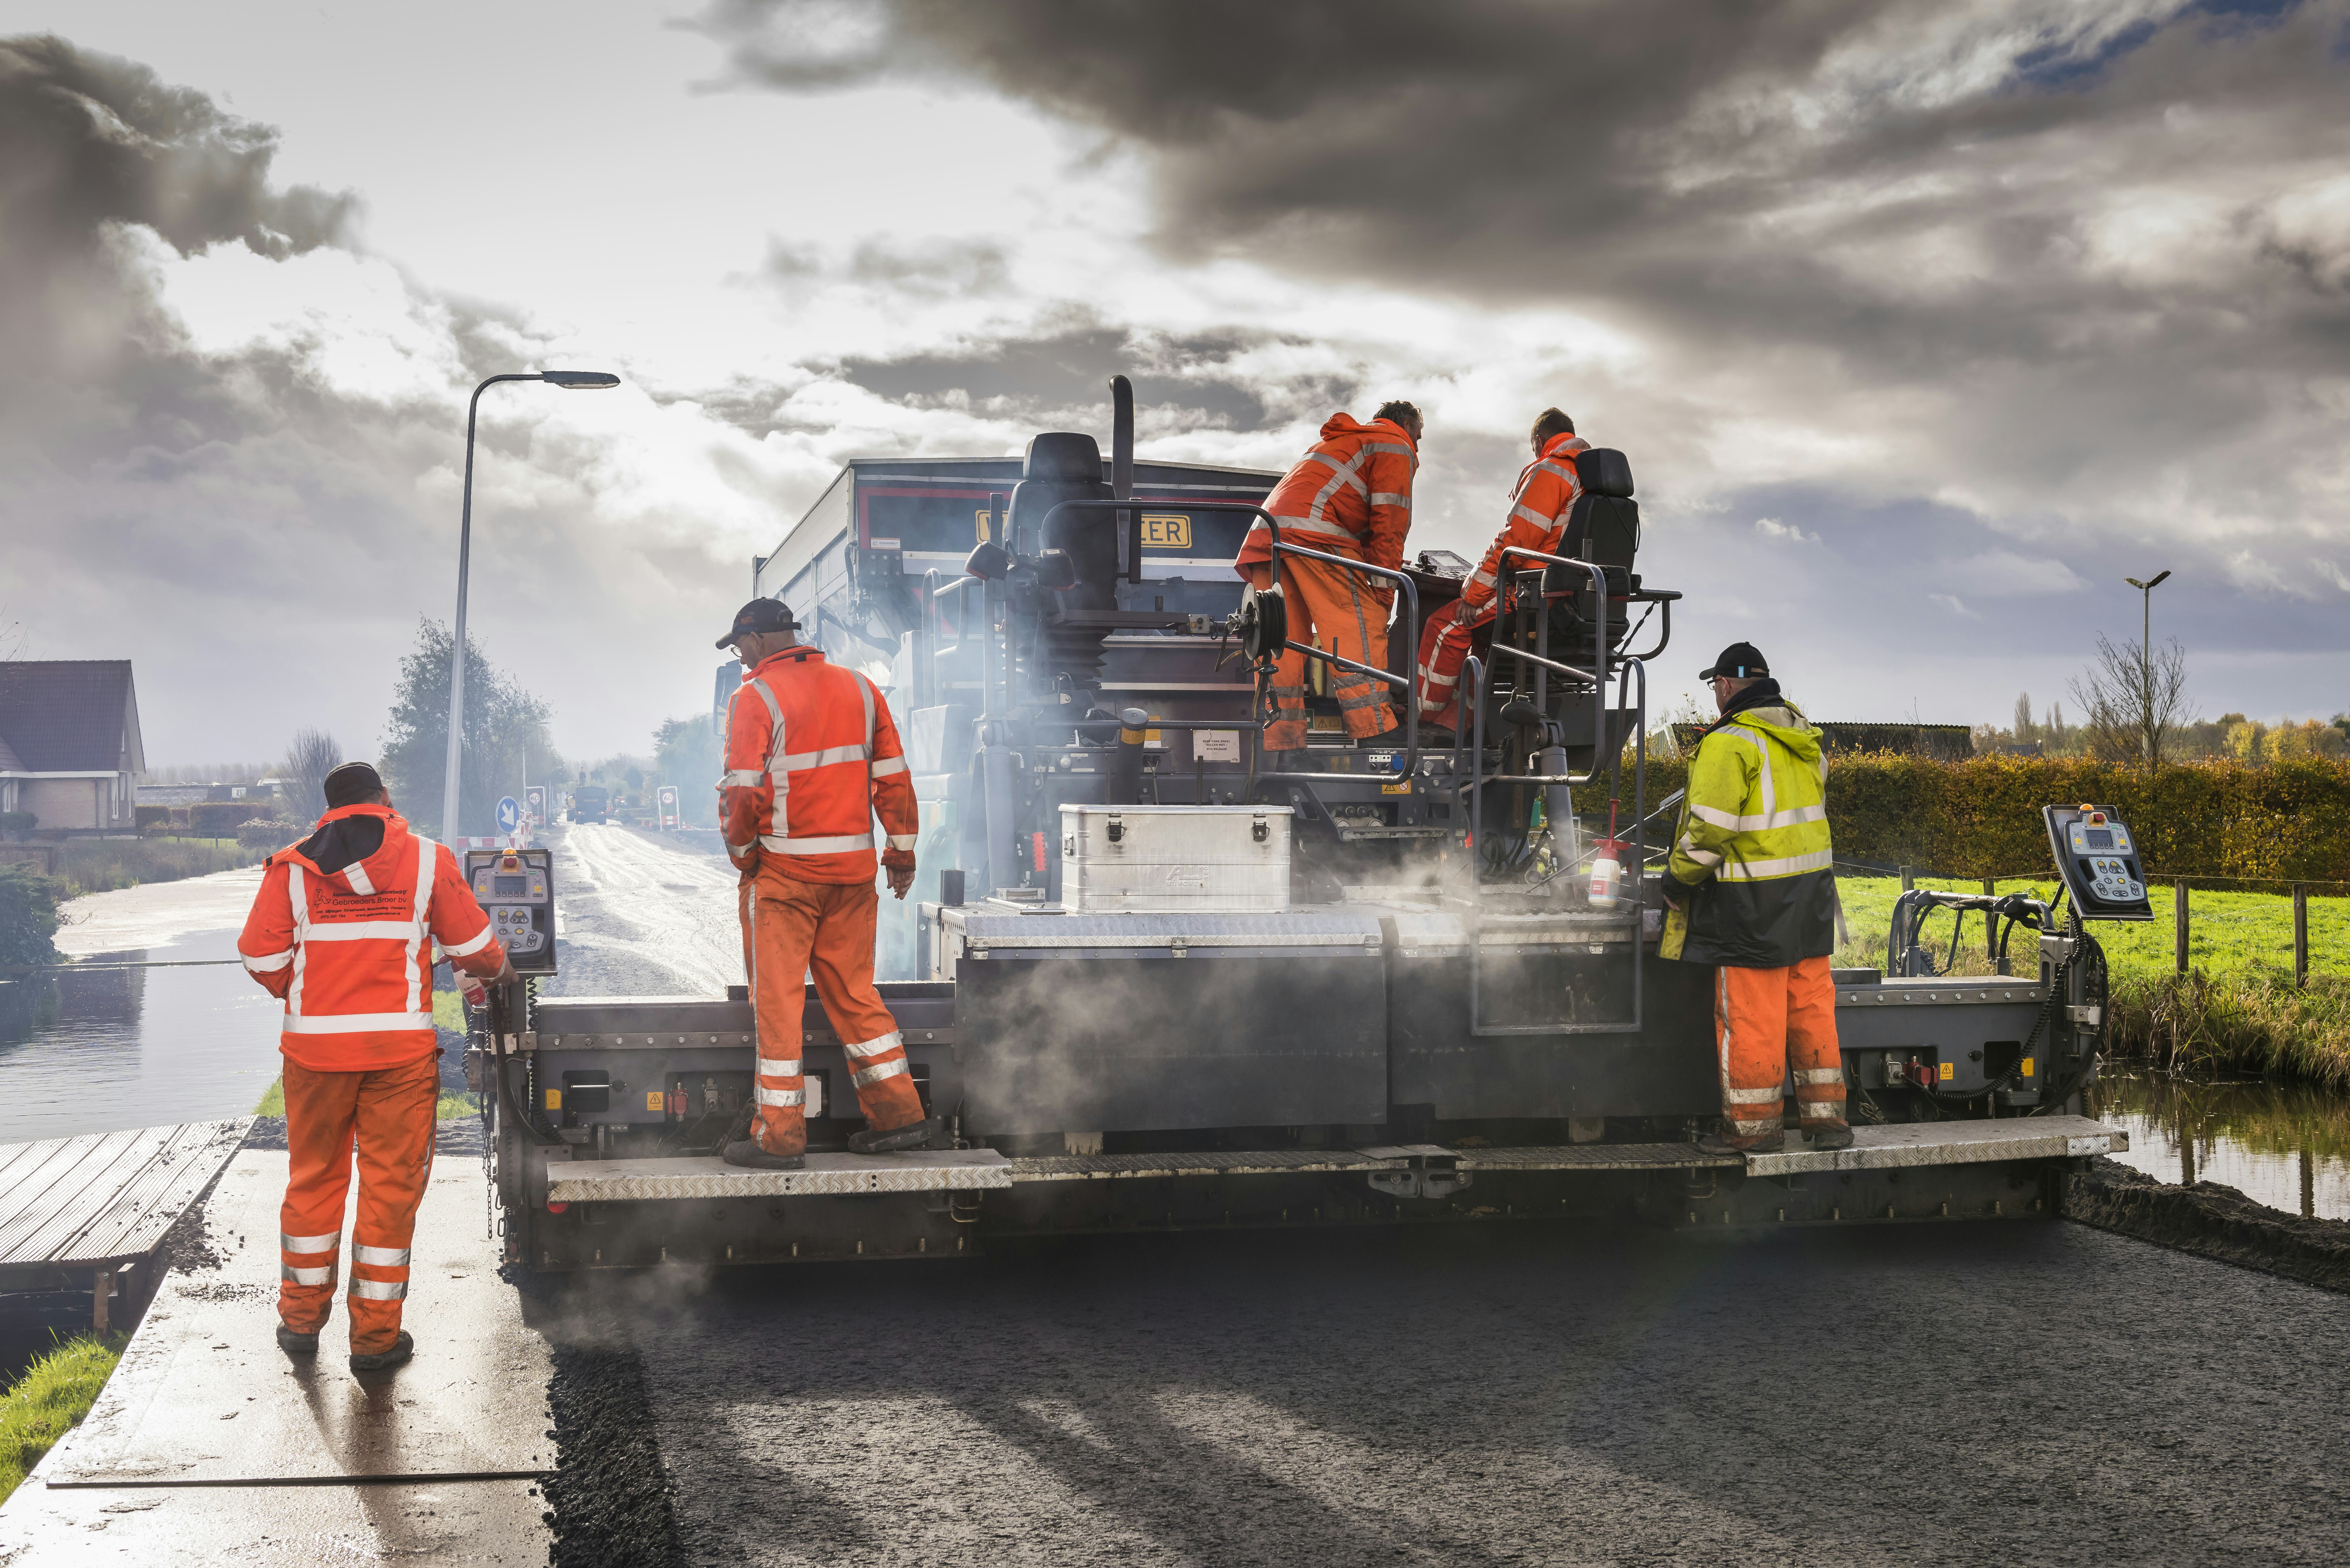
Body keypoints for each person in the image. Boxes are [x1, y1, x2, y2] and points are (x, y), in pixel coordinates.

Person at [237, 761, 514, 1372]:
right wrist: (499, 970)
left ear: (328, 806)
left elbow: (259, 953)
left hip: (315, 1055)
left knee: (314, 1178)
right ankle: (375, 1339)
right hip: (398, 1058)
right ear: (383, 798)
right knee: (390, 1186)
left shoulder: (290, 867)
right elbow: (474, 949)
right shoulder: (425, 859)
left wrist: (303, 990)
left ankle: (301, 1323)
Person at [716, 597, 934, 1169]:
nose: (739, 657)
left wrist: (742, 855)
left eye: (739, 646)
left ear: (761, 640)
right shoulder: (861, 689)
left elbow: (742, 791)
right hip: (854, 877)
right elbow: (893, 777)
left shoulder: (755, 696)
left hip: (785, 881)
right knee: (856, 995)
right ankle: (899, 1116)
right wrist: (901, 854)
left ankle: (780, 1138)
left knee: (780, 1007)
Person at [1660, 644, 1851, 1155]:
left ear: (1724, 685)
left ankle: (1752, 1131)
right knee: (1811, 1007)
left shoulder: (1729, 743)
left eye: (1715, 685)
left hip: (1752, 906)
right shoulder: (1804, 738)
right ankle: (1828, 1122)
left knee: (1750, 1016)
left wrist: (1676, 881)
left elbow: (1709, 832)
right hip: (1811, 900)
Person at [1234, 401, 1422, 749]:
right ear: (1406, 423)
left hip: (1268, 536)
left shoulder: (1348, 442)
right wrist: (1383, 593)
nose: (1418, 444)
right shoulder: (1394, 443)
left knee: (1280, 642)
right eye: (1419, 435)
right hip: (1315, 535)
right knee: (1359, 623)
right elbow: (1390, 525)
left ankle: (1282, 741)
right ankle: (1375, 728)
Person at [1415, 407, 1589, 734]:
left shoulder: (1553, 470)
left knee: (1446, 624)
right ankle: (1458, 723)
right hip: (1569, 594)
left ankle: (1419, 717)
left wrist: (1473, 592)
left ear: (1539, 441)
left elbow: (1517, 539)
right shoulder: (1591, 476)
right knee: (1483, 641)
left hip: (1534, 593)